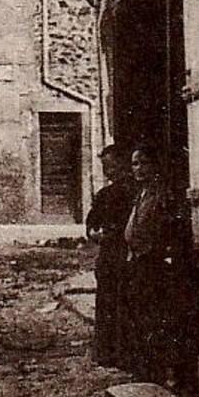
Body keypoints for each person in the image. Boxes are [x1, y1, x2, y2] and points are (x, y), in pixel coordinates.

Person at [123, 144, 193, 387]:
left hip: (154, 266)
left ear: (154, 166)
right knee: (141, 319)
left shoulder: (162, 195)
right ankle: (148, 370)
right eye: (135, 164)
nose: (138, 169)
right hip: (138, 263)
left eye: (143, 163)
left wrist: (159, 254)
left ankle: (163, 373)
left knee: (158, 320)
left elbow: (171, 230)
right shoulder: (140, 194)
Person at [84, 142, 134, 369]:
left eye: (113, 165)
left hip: (127, 255)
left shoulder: (136, 192)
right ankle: (107, 353)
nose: (108, 171)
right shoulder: (104, 194)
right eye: (105, 166)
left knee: (125, 305)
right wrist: (95, 234)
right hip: (109, 256)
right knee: (106, 303)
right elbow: (92, 223)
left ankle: (124, 354)